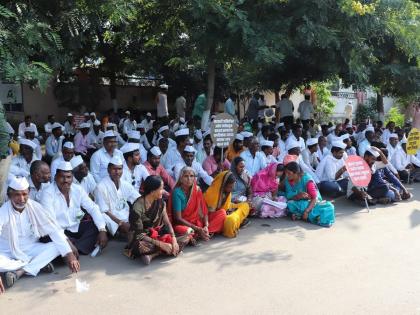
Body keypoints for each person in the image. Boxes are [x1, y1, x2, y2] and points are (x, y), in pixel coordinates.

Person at [0, 177, 79, 292]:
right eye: (17, 195)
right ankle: (37, 265)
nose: (21, 199)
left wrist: (69, 254)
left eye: (24, 194)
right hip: (7, 251)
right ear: (9, 195)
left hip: (31, 248)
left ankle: (19, 272)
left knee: (58, 247)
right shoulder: (3, 211)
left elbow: (54, 230)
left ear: (29, 193)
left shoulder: (35, 207)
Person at [40, 161, 108, 255]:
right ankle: (74, 246)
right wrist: (66, 241)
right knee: (47, 236)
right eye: (62, 177)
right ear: (55, 177)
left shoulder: (77, 189)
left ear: (72, 178)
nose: (65, 180)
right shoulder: (47, 193)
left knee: (97, 226)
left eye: (68, 177)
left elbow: (93, 208)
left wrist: (102, 230)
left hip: (74, 227)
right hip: (58, 230)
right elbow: (50, 222)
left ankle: (73, 248)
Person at [125, 176, 191, 265]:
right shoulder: (137, 207)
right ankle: (166, 250)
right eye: (161, 189)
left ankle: (153, 255)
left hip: (158, 233)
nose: (163, 191)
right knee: (141, 247)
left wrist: (174, 238)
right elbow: (139, 235)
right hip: (142, 237)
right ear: (152, 191)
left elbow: (167, 222)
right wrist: (161, 244)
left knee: (187, 235)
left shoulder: (161, 202)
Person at [168, 167, 226, 241]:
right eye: (186, 176)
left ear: (194, 178)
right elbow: (178, 218)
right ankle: (200, 234)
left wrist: (206, 226)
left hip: (198, 222)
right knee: (187, 231)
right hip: (184, 225)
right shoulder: (177, 192)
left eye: (191, 176)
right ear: (181, 179)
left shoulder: (197, 190)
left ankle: (203, 232)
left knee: (222, 213)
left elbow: (204, 211)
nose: (189, 179)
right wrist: (197, 228)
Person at [94, 156, 140, 237]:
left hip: (125, 216)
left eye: (119, 169)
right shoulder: (100, 186)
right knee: (102, 216)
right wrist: (120, 223)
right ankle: (118, 231)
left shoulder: (125, 184)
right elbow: (104, 211)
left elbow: (137, 198)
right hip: (111, 219)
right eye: (114, 169)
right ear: (108, 170)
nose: (117, 172)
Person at [284, 162, 335, 227]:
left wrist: (307, 211)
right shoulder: (287, 180)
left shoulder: (307, 179)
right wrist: (297, 196)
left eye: (289, 173)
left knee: (329, 206)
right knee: (290, 204)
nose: (286, 175)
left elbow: (314, 198)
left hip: (312, 203)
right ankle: (311, 217)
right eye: (286, 173)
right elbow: (288, 195)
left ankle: (302, 215)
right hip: (298, 202)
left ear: (296, 173)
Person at [204, 171, 250, 238]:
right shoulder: (211, 194)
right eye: (230, 187)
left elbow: (227, 206)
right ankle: (209, 231)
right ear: (222, 185)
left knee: (245, 205)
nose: (231, 190)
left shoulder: (227, 192)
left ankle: (234, 221)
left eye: (232, 187)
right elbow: (209, 213)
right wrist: (228, 213)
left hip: (224, 213)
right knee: (225, 215)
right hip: (211, 219)